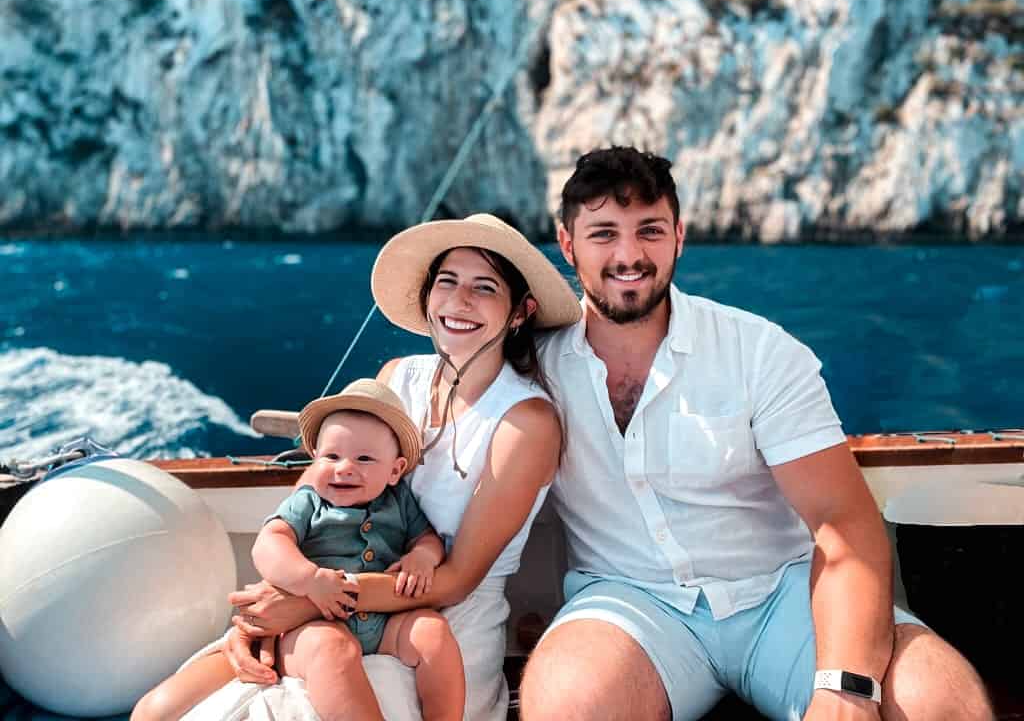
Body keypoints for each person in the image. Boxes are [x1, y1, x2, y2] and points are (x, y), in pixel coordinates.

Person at [517, 146, 994, 721]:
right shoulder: (533, 370)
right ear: (567, 245)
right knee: (567, 705)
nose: (628, 254)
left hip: (784, 595)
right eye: (603, 234)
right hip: (629, 604)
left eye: (649, 230)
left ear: (679, 237)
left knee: (943, 703)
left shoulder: (759, 352)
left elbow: (843, 522)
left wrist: (846, 692)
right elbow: (440, 383)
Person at [182, 213, 582, 721]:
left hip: (439, 631)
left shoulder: (526, 421)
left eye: (484, 287)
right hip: (328, 601)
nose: (460, 301)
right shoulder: (397, 378)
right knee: (193, 705)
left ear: (520, 312)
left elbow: (456, 580)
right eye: (447, 282)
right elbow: (311, 496)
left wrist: (307, 602)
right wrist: (272, 610)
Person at [133, 379, 465, 721]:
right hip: (305, 626)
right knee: (331, 648)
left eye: (364, 458)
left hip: (382, 624)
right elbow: (269, 542)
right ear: (314, 459)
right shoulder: (309, 502)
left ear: (395, 471)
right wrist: (309, 579)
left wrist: (423, 556)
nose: (344, 467)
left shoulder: (399, 502)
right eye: (331, 456)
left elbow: (426, 538)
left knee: (433, 632)